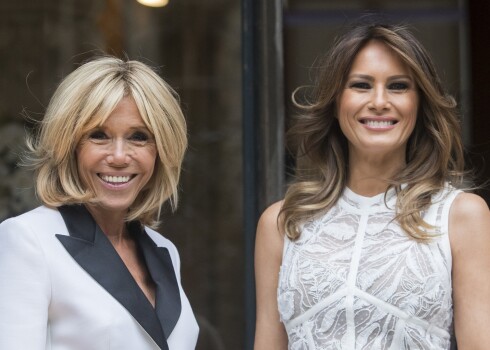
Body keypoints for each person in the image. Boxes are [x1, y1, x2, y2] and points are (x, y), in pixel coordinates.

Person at [254, 22, 490, 349]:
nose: (379, 101)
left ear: (419, 103)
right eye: (361, 85)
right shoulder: (282, 223)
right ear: (336, 102)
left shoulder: (461, 216)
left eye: (397, 86)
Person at [0, 56, 199, 350]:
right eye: (99, 135)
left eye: (138, 137)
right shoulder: (28, 240)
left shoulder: (165, 251)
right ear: (70, 145)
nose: (119, 156)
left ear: (161, 150)